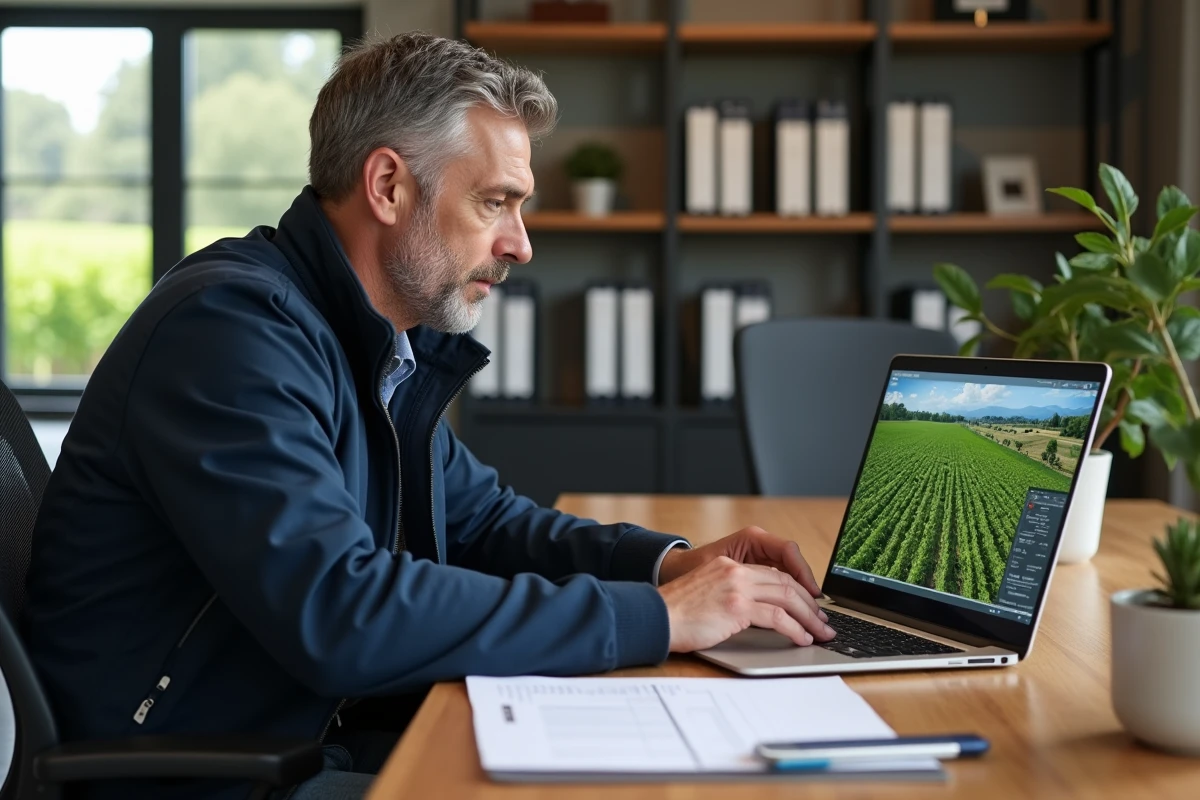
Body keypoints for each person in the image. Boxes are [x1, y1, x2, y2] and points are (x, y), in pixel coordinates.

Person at [25, 33, 834, 800]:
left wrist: (670, 569)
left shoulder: (367, 339)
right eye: (496, 202)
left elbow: (484, 520)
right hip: (216, 773)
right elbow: (343, 613)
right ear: (387, 186)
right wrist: (658, 620)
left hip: (316, 731)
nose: (520, 244)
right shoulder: (232, 333)